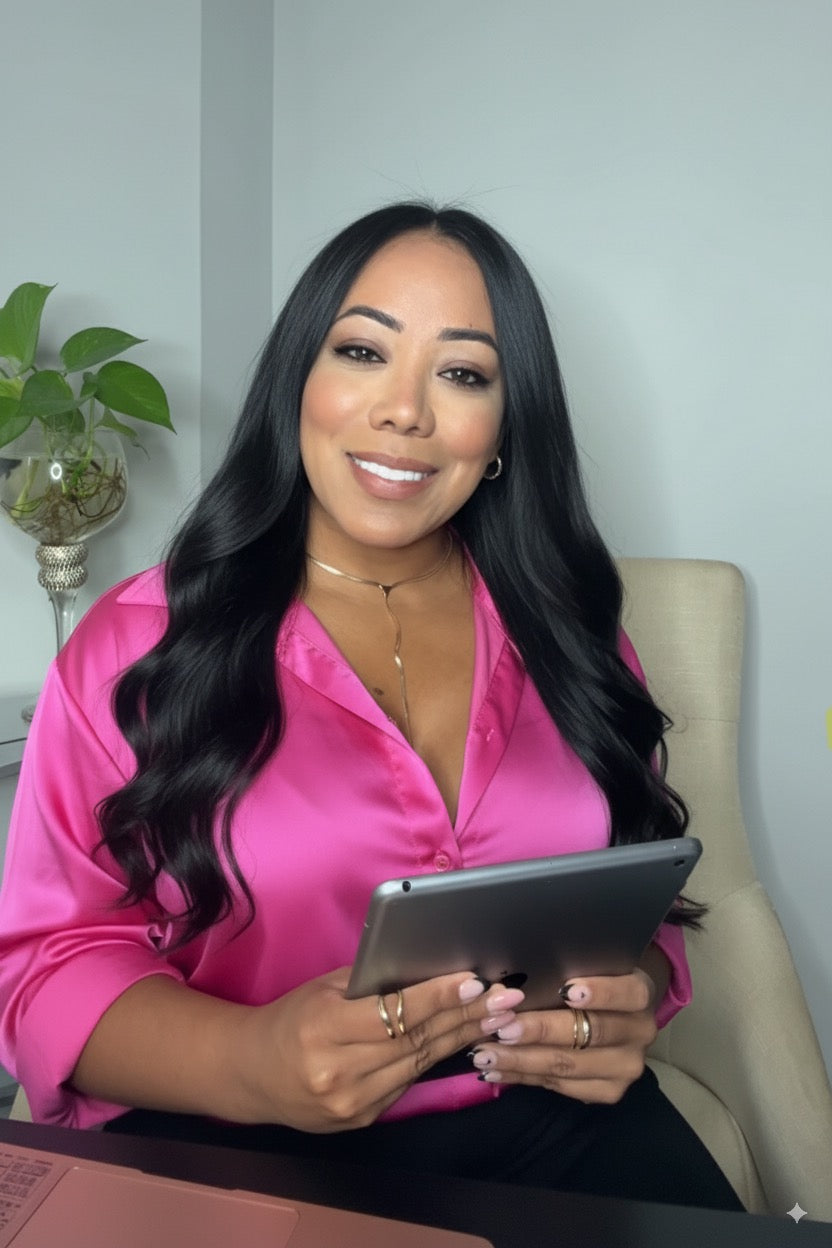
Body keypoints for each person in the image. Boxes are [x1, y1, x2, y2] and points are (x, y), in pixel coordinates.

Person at [0, 202, 742, 1212]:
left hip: (559, 1131)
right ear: (297, 382)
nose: (405, 411)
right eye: (362, 352)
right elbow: (46, 969)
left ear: (505, 428)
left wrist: (627, 1003)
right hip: (235, 1146)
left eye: (463, 374)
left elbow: (636, 904)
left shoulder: (573, 630)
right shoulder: (136, 648)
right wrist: (250, 1059)